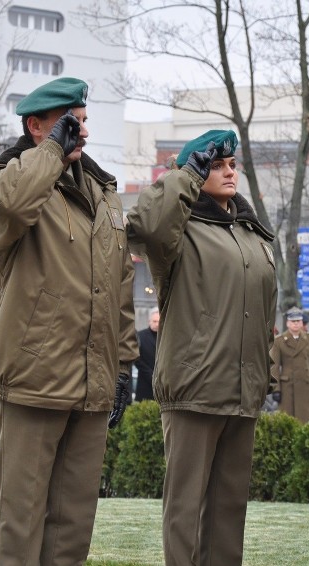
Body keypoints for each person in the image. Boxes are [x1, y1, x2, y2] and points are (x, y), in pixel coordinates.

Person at [0, 76, 139, 566]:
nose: (81, 134)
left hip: (92, 380)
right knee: (21, 522)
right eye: (71, 124)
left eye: (84, 123)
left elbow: (119, 286)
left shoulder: (103, 190)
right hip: (35, 375)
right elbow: (12, 203)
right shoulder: (3, 180)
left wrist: (123, 366)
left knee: (72, 527)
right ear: (36, 126)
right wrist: (48, 153)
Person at [127, 128, 277, 566]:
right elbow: (143, 226)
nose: (229, 171)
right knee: (185, 511)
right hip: (194, 388)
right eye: (215, 165)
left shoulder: (253, 231)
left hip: (242, 389)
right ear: (193, 173)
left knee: (229, 512)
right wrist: (183, 176)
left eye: (232, 164)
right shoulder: (177, 230)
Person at [270, 307, 309, 423]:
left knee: (306, 420)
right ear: (287, 323)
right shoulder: (280, 341)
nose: (296, 324)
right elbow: (275, 367)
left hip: (306, 386)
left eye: (298, 321)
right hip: (288, 387)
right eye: (293, 321)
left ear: (302, 322)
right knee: (288, 422)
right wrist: (276, 389)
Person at [134, 308, 159, 403]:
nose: (157, 324)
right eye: (154, 321)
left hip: (161, 383)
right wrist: (151, 374)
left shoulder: (165, 338)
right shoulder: (140, 336)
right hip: (144, 383)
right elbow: (137, 359)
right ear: (149, 321)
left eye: (159, 322)